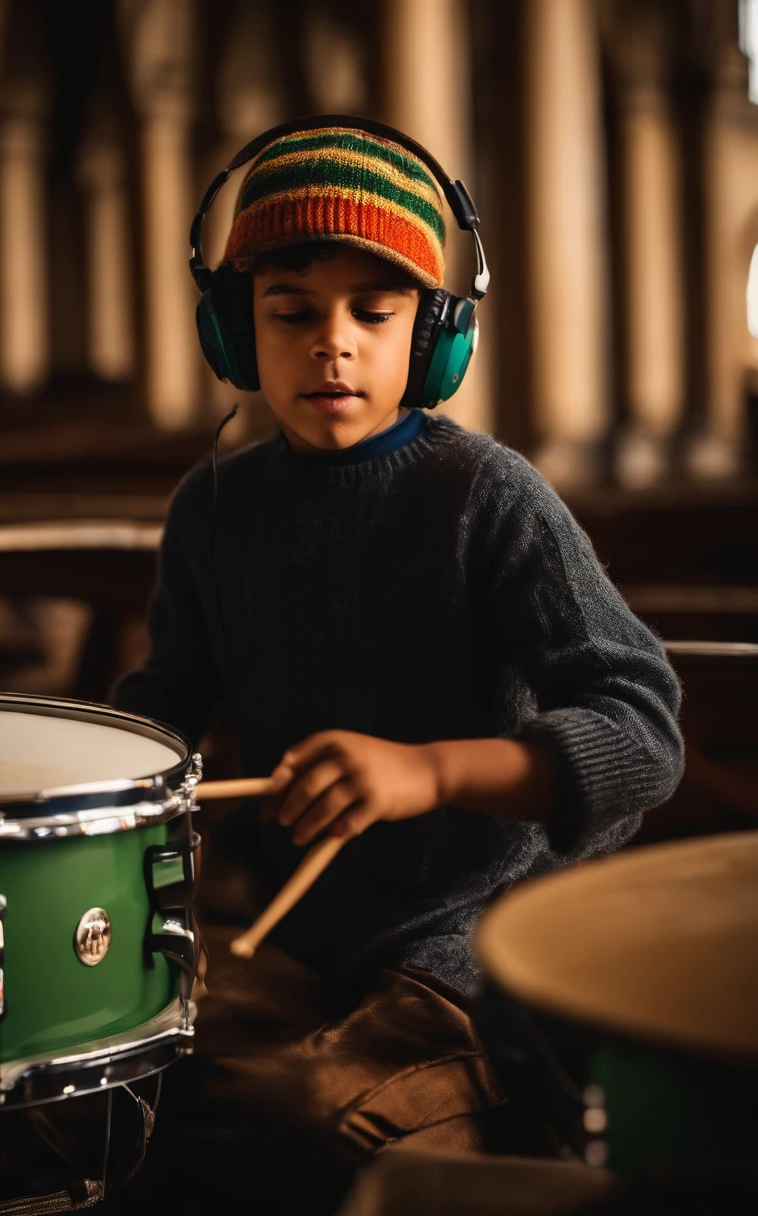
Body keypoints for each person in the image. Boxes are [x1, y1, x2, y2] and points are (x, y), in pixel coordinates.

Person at [111, 117, 683, 1191]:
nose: (332, 343)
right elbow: (166, 698)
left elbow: (642, 731)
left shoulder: (489, 498)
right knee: (121, 1079)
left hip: (472, 950)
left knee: (315, 1121)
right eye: (289, 314)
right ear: (233, 334)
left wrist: (428, 771)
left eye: (375, 315)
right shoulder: (213, 508)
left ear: (436, 338)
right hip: (289, 936)